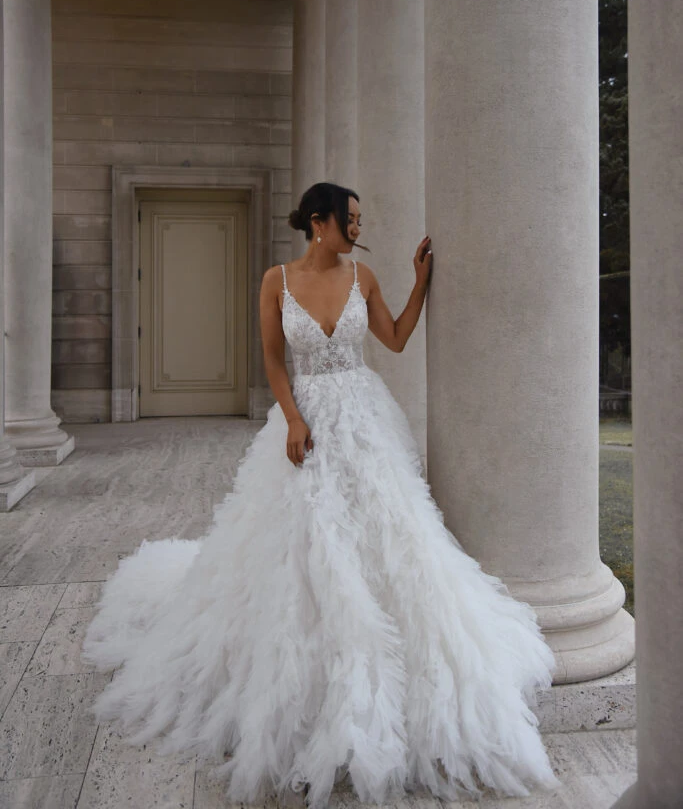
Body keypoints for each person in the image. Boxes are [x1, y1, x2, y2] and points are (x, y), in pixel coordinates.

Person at [82, 181, 561, 808]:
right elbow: (274, 359)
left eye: (360, 220)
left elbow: (391, 339)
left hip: (364, 420)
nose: (359, 228)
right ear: (319, 221)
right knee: (304, 539)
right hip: (306, 418)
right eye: (351, 219)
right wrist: (293, 419)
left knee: (391, 533)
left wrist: (420, 285)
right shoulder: (275, 280)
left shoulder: (364, 276)